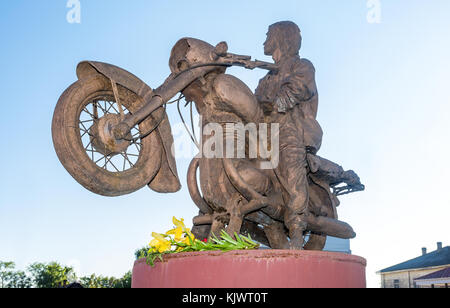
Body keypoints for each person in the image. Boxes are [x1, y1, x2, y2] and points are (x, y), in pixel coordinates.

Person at [255, 21, 323, 249]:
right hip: (263, 130)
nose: (264, 40)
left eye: (268, 35)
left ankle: (296, 226)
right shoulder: (265, 77)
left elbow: (298, 88)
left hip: (291, 127)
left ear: (282, 37)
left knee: (290, 158)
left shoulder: (302, 65)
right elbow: (254, 103)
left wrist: (272, 105)